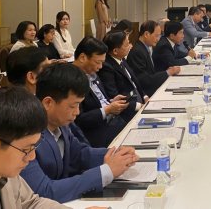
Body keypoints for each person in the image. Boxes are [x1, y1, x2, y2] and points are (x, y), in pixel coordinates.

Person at [20, 64, 138, 203]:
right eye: (72, 106)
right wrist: (106, 171)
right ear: (48, 103)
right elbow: (44, 191)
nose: (77, 112)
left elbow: (79, 154)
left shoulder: (60, 122)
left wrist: (117, 154)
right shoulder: (24, 135)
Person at [72, 37, 136, 148]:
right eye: (98, 62)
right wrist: (107, 110)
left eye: (102, 62)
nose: (100, 67)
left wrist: (111, 102)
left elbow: (98, 101)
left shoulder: (91, 72)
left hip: (112, 122)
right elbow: (78, 120)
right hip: (96, 133)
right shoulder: (71, 79)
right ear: (83, 57)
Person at [127, 20, 180, 97]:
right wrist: (167, 73)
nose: (158, 39)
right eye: (156, 36)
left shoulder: (146, 48)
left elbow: (151, 73)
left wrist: (166, 72)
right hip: (146, 93)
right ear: (146, 34)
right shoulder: (137, 52)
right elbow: (144, 80)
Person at [98, 31, 147, 110]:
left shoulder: (121, 59)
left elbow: (134, 82)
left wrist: (144, 96)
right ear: (115, 51)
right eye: (127, 45)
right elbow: (114, 96)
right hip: (129, 110)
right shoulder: (106, 68)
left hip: (140, 101)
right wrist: (138, 106)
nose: (131, 46)